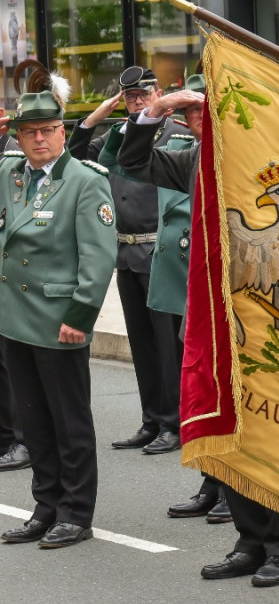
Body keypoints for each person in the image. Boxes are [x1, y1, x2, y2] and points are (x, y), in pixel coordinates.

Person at [118, 87, 279, 588]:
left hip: (265, 321)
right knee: (228, 433)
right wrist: (155, 111)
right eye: (189, 112)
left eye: (205, 109)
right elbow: (132, 162)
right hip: (210, 320)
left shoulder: (267, 157)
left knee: (273, 438)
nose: (197, 118)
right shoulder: (191, 160)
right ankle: (249, 541)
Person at [0, 69, 118, 549]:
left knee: (69, 422)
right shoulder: (10, 174)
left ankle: (75, 512)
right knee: (32, 422)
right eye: (30, 132)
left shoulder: (85, 182)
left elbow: (98, 257)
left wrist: (81, 315)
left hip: (58, 320)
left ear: (62, 132)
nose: (39, 139)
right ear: (19, 136)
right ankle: (45, 507)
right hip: (14, 319)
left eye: (48, 130)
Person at [69, 65, 191, 456]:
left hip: (162, 253)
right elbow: (74, 160)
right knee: (142, 345)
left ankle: (174, 423)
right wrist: (94, 118)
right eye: (130, 97)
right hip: (125, 252)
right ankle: (151, 419)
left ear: (159, 95)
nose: (137, 102)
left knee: (167, 346)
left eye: (144, 95)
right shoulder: (118, 135)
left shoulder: (178, 135)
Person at [0, 127, 30, 473]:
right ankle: (6, 437)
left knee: (14, 364)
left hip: (16, 277)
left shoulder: (15, 158)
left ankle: (23, 440)